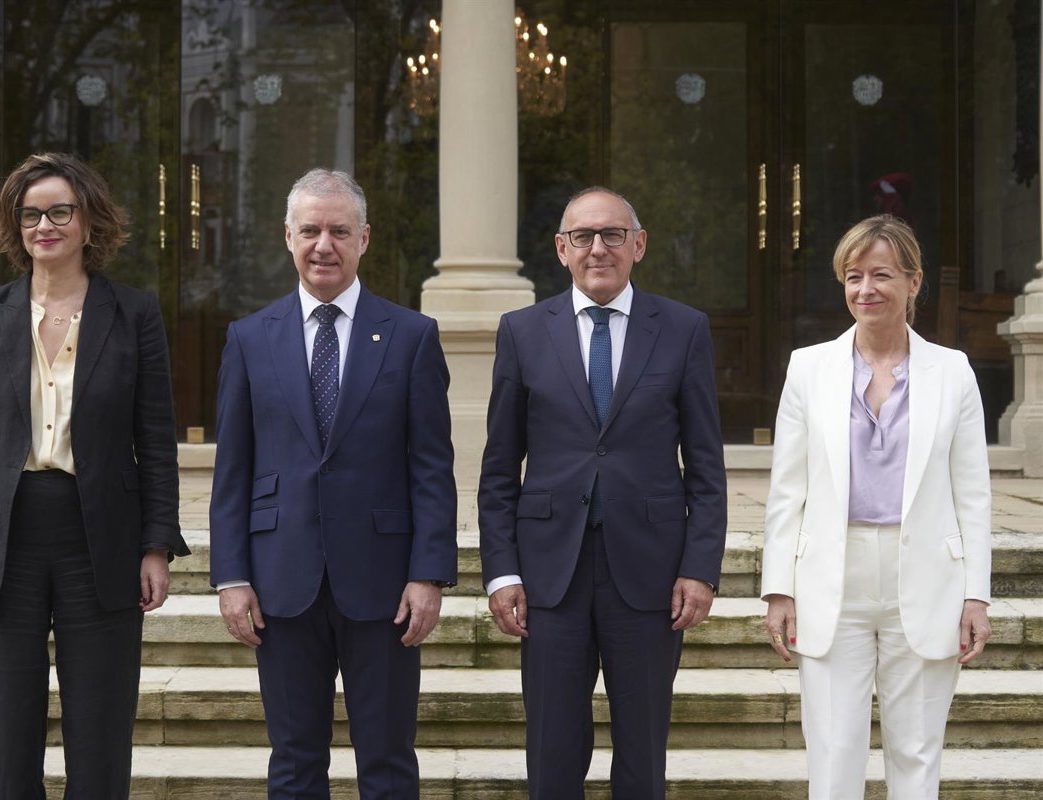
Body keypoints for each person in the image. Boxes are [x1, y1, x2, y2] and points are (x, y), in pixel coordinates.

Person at [0, 152, 189, 799]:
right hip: (1, 538)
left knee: (99, 734)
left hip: (100, 537)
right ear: (15, 227)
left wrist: (156, 544)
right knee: (2, 742)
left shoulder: (134, 314)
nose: (44, 225)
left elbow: (156, 440)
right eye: (30, 214)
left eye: (60, 212)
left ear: (89, 220)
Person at [209, 168, 457, 799]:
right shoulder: (248, 338)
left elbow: (432, 466)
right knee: (294, 763)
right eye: (311, 230)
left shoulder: (412, 336)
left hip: (384, 584)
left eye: (340, 231)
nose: (324, 245)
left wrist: (429, 574)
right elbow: (232, 470)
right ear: (287, 237)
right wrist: (231, 576)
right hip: (280, 581)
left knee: (389, 761)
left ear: (364, 239)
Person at [478, 186, 728, 799]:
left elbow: (705, 468)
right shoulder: (522, 332)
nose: (598, 248)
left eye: (613, 235)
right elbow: (499, 468)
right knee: (553, 751)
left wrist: (700, 568)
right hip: (549, 576)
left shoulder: (683, 329)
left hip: (649, 574)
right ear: (561, 249)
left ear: (638, 245)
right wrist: (502, 572)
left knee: (642, 753)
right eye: (583, 236)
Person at [762, 214, 992, 799]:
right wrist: (778, 588)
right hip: (830, 575)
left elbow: (972, 493)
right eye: (854, 276)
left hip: (928, 576)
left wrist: (976, 594)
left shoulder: (953, 372)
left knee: (915, 750)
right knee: (833, 749)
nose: (866, 289)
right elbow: (788, 489)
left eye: (882, 274)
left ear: (914, 282)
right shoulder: (808, 368)